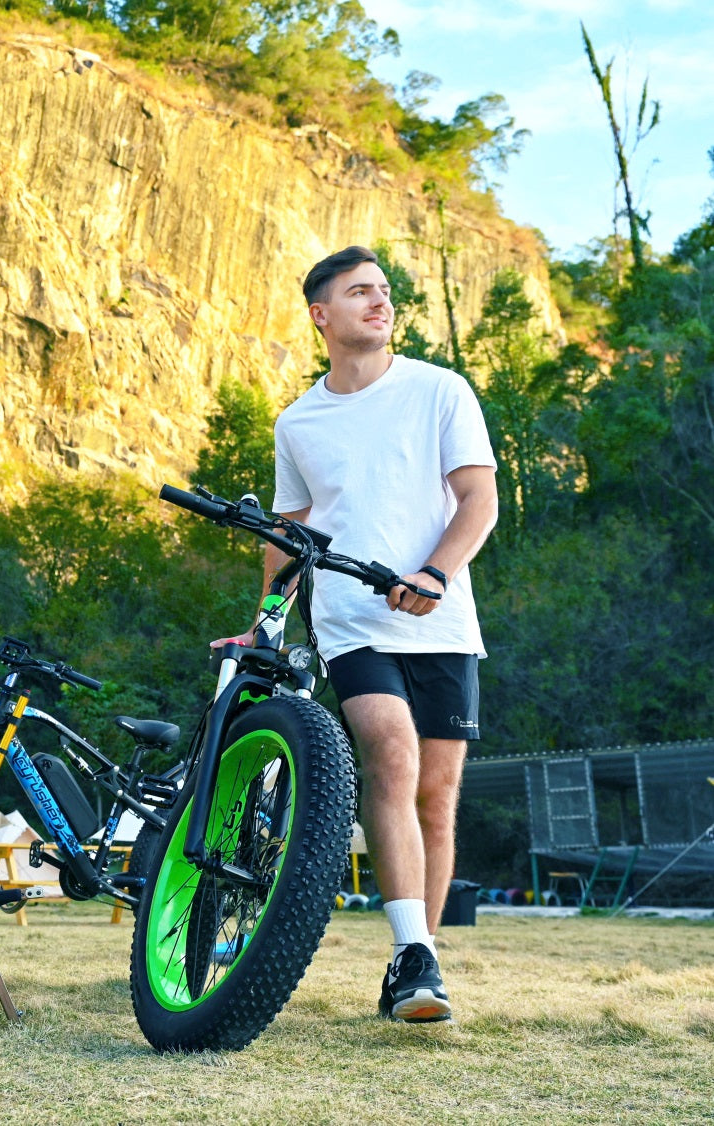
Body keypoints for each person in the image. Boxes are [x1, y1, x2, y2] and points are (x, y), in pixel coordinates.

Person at [243, 245, 497, 1023]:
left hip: (442, 620)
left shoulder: (438, 390)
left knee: (435, 797)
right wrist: (264, 621)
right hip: (352, 624)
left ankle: (414, 961)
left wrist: (433, 575)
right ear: (321, 314)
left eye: (383, 291)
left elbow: (477, 502)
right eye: (359, 293)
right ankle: (413, 949)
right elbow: (288, 533)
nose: (379, 303)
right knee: (387, 752)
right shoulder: (299, 422)